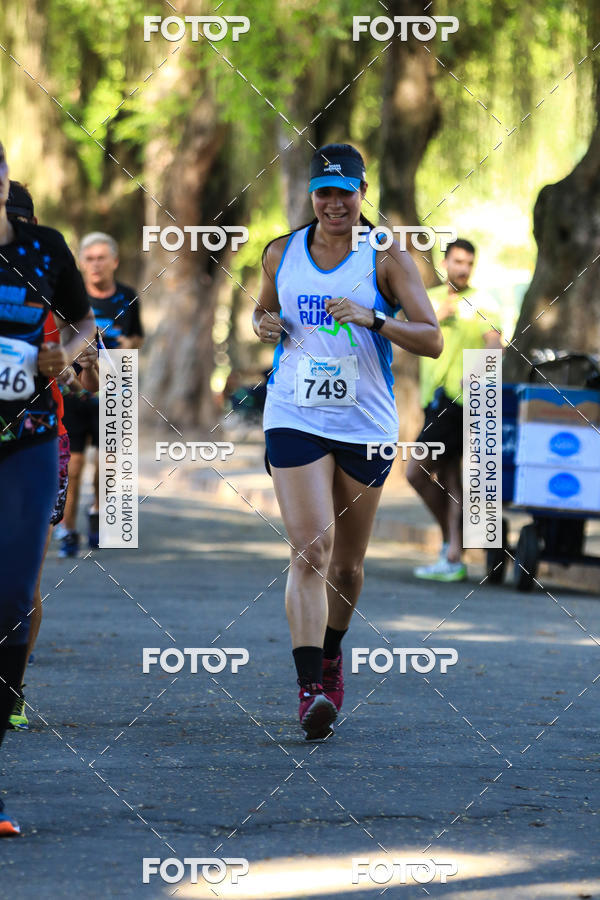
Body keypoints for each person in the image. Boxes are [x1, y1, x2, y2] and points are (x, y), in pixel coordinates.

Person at [253, 143, 442, 740]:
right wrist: (264, 326)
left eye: (346, 192)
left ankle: (332, 653)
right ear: (312, 195)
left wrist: (374, 319)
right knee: (310, 549)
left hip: (365, 422)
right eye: (324, 193)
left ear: (363, 193)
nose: (335, 204)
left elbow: (432, 338)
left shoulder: (385, 256)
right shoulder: (281, 252)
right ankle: (310, 687)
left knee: (349, 565)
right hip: (294, 412)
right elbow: (261, 317)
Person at [0, 142, 95, 834]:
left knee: (11, 601)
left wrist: (67, 354)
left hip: (28, 439)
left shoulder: (45, 248)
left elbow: (86, 327)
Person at [407, 238, 503, 581]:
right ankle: (452, 555)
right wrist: (437, 315)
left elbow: (495, 342)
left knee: (415, 471)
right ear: (445, 263)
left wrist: (477, 371)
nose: (463, 268)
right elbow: (410, 334)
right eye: (457, 261)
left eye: (469, 263)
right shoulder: (428, 299)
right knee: (450, 479)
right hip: (432, 402)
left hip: (459, 403)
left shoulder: (482, 302)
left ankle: (453, 541)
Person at [60, 232, 143, 556]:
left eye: (101, 258)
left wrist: (120, 348)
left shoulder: (128, 296)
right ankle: (67, 531)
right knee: (75, 465)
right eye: (89, 258)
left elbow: (137, 339)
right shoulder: (71, 297)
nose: (95, 264)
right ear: (81, 262)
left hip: (115, 391)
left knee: (107, 463)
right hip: (74, 394)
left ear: (114, 261)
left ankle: (97, 515)